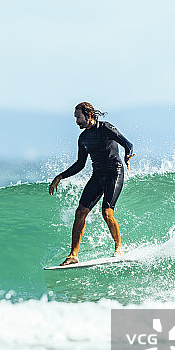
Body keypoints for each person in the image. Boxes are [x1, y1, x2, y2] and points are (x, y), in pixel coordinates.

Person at [48, 102, 135, 265]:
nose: (76, 121)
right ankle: (73, 255)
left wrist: (127, 156)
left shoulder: (106, 128)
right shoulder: (83, 138)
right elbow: (80, 164)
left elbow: (128, 144)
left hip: (114, 172)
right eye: (75, 118)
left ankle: (119, 247)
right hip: (98, 175)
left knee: (107, 213)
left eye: (78, 117)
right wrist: (60, 177)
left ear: (88, 115)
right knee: (80, 212)